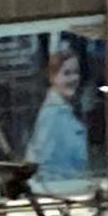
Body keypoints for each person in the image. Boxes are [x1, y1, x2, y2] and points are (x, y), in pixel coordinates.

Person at [25, 43, 96, 188]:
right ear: (52, 77)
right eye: (67, 73)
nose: (73, 78)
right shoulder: (52, 114)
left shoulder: (67, 111)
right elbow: (39, 162)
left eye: (76, 72)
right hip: (59, 193)